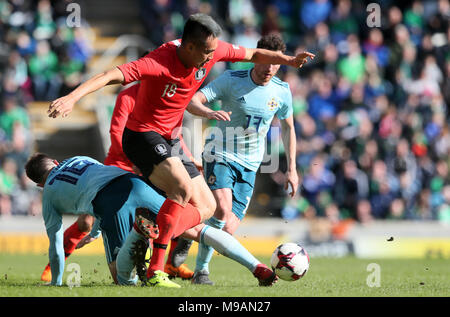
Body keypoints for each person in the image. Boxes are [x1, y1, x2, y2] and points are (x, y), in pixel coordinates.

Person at [47, 13, 314, 287]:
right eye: (207, 52)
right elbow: (109, 75)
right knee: (183, 191)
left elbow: (255, 53)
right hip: (142, 135)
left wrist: (290, 60)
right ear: (189, 47)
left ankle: (148, 227)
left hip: (171, 138)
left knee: (208, 207)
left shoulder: (212, 50)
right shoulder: (158, 61)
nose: (212, 57)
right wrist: (71, 98)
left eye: (214, 51)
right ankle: (156, 269)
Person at [25, 153, 278, 287]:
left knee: (123, 280)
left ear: (39, 184)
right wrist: (94, 233)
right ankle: (257, 267)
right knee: (195, 229)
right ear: (56, 162)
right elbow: (96, 180)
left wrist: (57, 283)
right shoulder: (79, 158)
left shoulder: (48, 193)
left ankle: (138, 232)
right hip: (132, 182)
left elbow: (56, 246)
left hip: (109, 202)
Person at [186, 34, 299, 284]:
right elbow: (193, 100)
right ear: (255, 57)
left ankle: (184, 232)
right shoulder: (230, 80)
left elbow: (289, 128)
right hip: (220, 152)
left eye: (275, 63)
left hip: (250, 165)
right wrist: (209, 111)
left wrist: (292, 169)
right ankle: (201, 272)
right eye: (265, 60)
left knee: (226, 229)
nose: (269, 68)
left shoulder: (281, 91)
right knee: (222, 209)